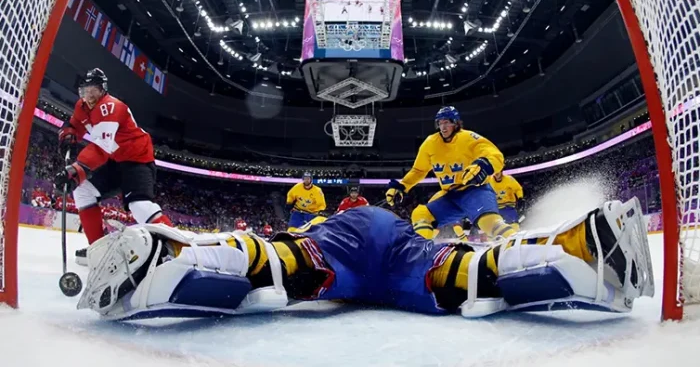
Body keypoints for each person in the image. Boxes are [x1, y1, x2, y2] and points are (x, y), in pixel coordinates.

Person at [77, 197, 654, 322]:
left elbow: (291, 237)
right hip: (397, 242)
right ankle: (588, 241)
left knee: (280, 263)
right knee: (466, 275)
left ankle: (165, 251)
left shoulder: (321, 216)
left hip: (345, 243)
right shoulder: (404, 215)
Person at [55, 68, 172, 265]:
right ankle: (100, 249)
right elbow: (75, 124)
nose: (89, 96)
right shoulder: (82, 106)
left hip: (137, 160)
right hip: (115, 160)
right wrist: (68, 133)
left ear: (103, 91)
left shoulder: (110, 106)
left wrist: (76, 170)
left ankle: (177, 248)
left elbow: (101, 148)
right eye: (85, 92)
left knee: (140, 207)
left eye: (94, 91)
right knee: (83, 191)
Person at [385, 106, 516, 240]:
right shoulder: (430, 143)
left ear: (456, 123)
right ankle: (421, 250)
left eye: (446, 122)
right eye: (440, 123)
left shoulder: (468, 137)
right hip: (451, 196)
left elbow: (495, 155)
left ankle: (516, 241)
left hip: (475, 191)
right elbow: (419, 170)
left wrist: (484, 165)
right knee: (421, 214)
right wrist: (402, 186)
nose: (443, 127)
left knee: (489, 222)